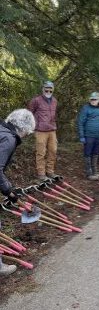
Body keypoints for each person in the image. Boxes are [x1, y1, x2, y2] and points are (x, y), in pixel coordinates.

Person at [0, 109, 35, 275]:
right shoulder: (8, 138)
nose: (27, 135)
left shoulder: (2, 130)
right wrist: (8, 191)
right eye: (28, 132)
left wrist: (9, 189)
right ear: (23, 128)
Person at [28, 81, 58, 180]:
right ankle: (41, 173)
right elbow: (29, 114)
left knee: (53, 151)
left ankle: (50, 172)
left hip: (52, 130)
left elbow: (53, 115)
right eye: (46, 88)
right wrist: (32, 126)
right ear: (43, 89)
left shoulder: (54, 101)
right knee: (41, 152)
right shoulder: (36, 100)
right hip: (40, 130)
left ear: (53, 90)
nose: (48, 90)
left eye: (50, 89)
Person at [77, 92, 99, 181]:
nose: (93, 101)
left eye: (95, 99)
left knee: (95, 153)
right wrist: (82, 136)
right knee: (88, 153)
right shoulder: (86, 108)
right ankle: (88, 173)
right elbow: (80, 122)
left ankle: (95, 171)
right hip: (88, 135)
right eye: (92, 99)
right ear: (90, 100)